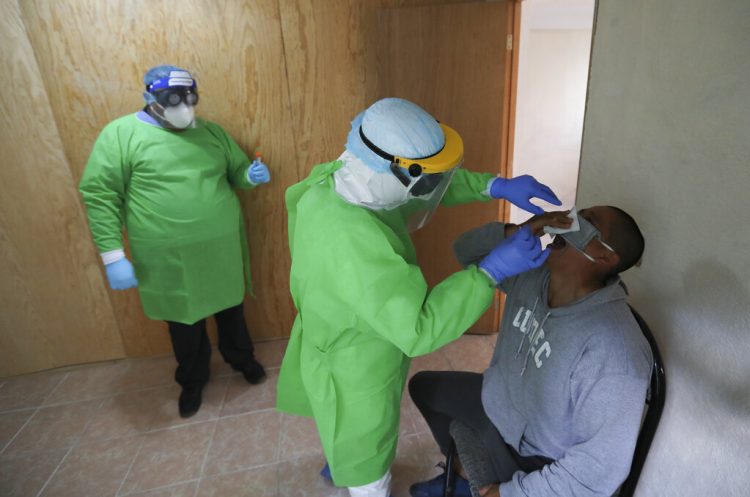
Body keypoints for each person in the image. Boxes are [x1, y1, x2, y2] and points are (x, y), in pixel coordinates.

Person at [276, 97, 562, 497]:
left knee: (340, 426)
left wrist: (492, 185)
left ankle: (342, 456)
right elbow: (419, 326)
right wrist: (488, 272)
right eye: (422, 179)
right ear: (397, 173)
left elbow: (426, 185)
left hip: (340, 328)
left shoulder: (344, 180)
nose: (429, 190)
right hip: (356, 363)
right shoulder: (351, 240)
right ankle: (361, 479)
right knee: (365, 452)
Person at [408, 206, 652, 497]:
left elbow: (596, 471)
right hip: (499, 404)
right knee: (424, 388)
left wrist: (509, 493)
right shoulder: (534, 276)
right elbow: (465, 251)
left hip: (538, 455)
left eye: (587, 221)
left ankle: (477, 480)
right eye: (578, 212)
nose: (570, 220)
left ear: (604, 256)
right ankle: (461, 477)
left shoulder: (615, 352)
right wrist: (519, 231)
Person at [79, 65, 270, 418]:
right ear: (151, 98)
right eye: (173, 99)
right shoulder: (121, 135)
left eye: (189, 97)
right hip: (168, 257)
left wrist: (250, 175)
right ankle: (192, 381)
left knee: (231, 310)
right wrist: (112, 255)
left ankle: (242, 359)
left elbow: (237, 172)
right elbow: (100, 194)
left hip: (220, 250)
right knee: (184, 322)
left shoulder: (211, 133)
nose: (184, 106)